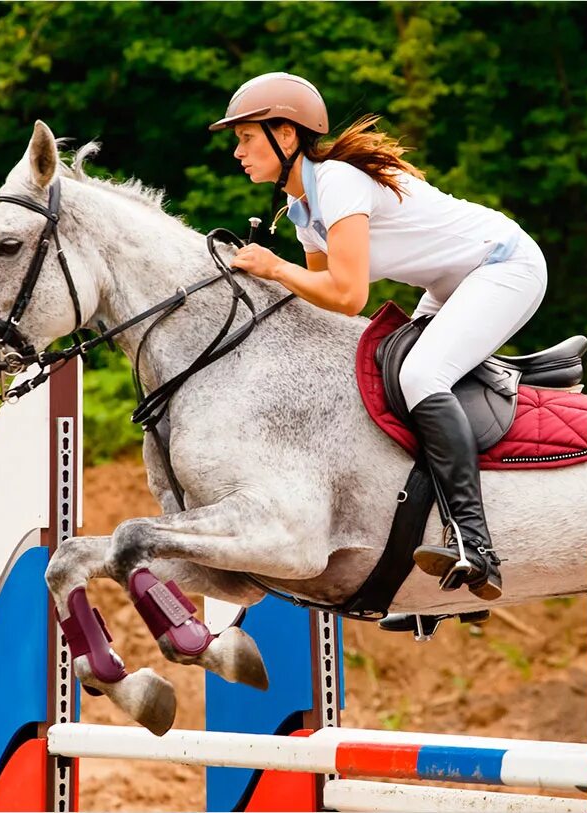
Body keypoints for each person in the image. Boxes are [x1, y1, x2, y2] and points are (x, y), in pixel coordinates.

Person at [210, 72, 547, 602]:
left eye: (246, 137)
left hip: (504, 265)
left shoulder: (338, 181)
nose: (238, 152)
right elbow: (328, 297)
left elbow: (346, 296)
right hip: (451, 282)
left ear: (287, 135)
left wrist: (274, 268)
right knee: (392, 376)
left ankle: (474, 544)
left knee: (419, 374)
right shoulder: (303, 209)